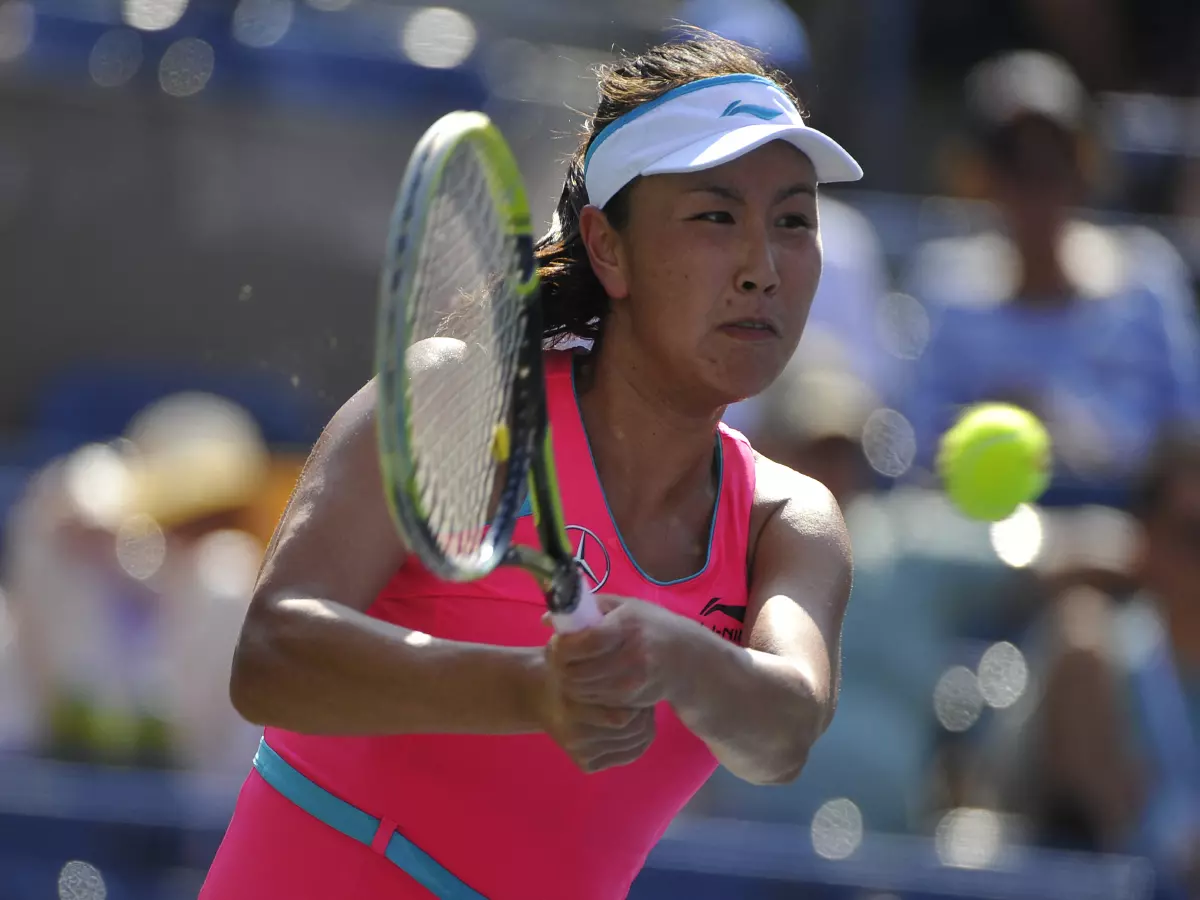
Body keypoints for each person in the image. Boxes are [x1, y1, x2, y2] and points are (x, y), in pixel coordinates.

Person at [200, 34, 860, 900]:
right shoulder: (455, 398)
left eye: (793, 221)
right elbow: (273, 654)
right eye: (714, 215)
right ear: (607, 246)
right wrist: (526, 693)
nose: (762, 270)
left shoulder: (789, 520)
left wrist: (680, 657)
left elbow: (786, 730)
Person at [905, 50, 1200, 484]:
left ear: (1085, 166)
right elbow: (916, 442)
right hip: (979, 538)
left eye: (1054, 162)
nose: (1036, 187)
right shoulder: (944, 289)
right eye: (1013, 164)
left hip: (1130, 540)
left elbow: (1185, 430)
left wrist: (1074, 426)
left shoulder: (1148, 278)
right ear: (980, 176)